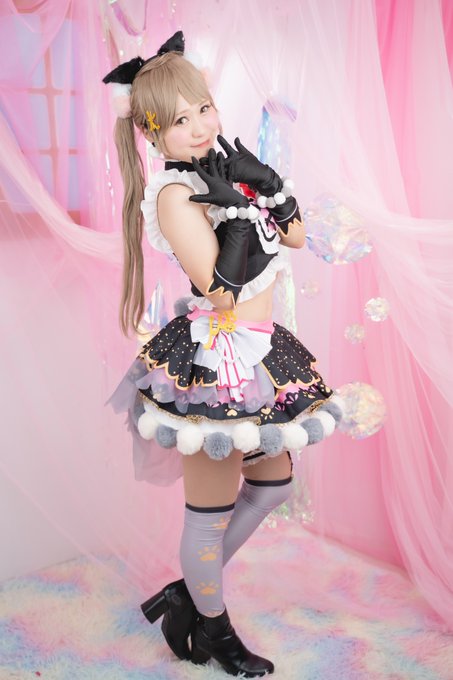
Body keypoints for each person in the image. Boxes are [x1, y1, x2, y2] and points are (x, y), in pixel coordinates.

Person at [103, 31, 343, 678]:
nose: (201, 126)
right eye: (180, 121)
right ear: (151, 134)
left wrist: (269, 187)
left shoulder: (223, 166)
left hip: (260, 348)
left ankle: (186, 593)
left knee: (274, 483)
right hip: (218, 360)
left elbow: (296, 236)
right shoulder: (174, 194)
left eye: (204, 108)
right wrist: (237, 213)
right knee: (208, 516)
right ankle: (213, 629)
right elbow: (220, 290)